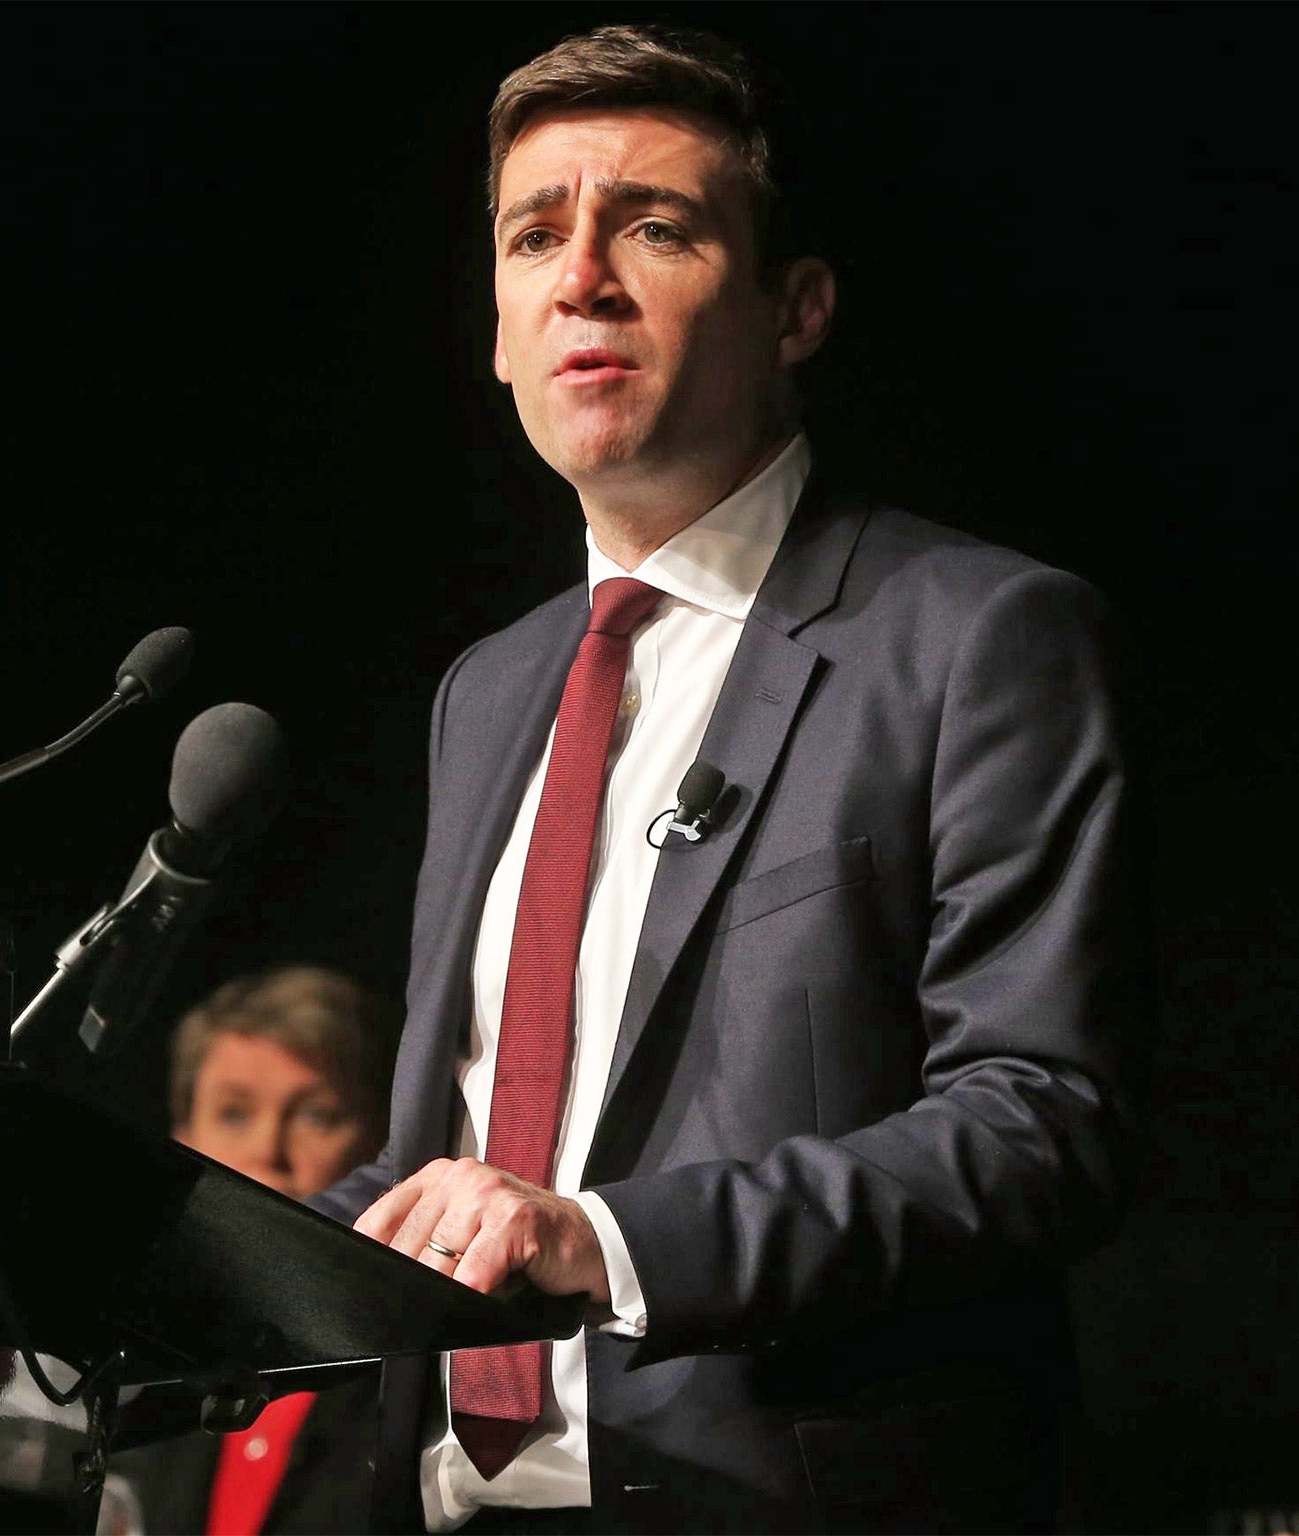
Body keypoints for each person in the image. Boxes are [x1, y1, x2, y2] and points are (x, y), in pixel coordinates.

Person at [305, 21, 1144, 1535]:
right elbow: (458, 1155)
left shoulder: (975, 638)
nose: (584, 279)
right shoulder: (489, 693)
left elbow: (1042, 1120)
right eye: (534, 235)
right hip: (443, 1507)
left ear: (796, 308)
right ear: (498, 330)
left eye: (658, 229)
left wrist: (605, 1241)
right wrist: (173, 1256)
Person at [105, 966, 399, 1536]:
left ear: (382, 1143)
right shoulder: (132, 1386)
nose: (268, 1151)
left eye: (318, 1115)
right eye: (235, 1113)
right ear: (182, 1141)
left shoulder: (423, 1395)